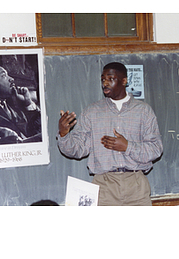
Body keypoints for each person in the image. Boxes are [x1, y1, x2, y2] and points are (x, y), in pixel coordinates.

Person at [57, 62, 163, 206]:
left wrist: (127, 146)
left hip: (136, 185)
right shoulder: (92, 112)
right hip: (104, 187)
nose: (105, 83)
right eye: (103, 79)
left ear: (124, 81)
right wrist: (64, 134)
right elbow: (78, 149)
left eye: (110, 78)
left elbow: (156, 149)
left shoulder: (143, 111)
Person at [0, 63, 42, 146]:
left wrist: (28, 103)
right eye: (3, 76)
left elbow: (35, 131)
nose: (11, 79)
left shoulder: (15, 108)